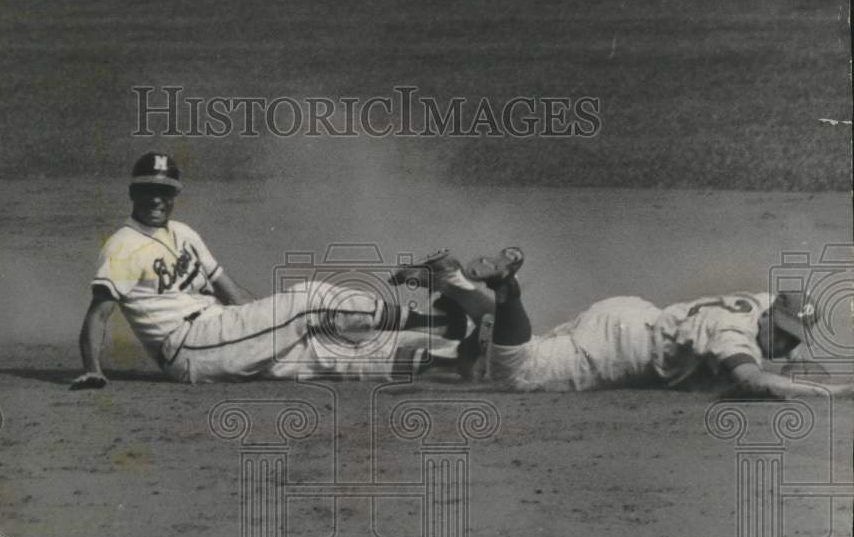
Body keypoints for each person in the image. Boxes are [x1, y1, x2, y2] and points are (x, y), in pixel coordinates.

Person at [71, 152, 453, 389]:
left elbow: (229, 292)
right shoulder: (121, 246)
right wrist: (93, 370)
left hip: (223, 335)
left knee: (327, 354)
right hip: (187, 347)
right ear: (132, 192)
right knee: (310, 300)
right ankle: (437, 321)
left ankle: (457, 354)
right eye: (149, 190)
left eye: (165, 191)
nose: (157, 199)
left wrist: (263, 321)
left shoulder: (184, 233)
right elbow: (98, 314)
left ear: (175, 195)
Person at [389, 247, 853, 398]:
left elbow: (781, 342)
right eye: (781, 334)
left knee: (523, 349)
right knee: (517, 373)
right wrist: (831, 392)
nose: (784, 345)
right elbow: (751, 380)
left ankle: (452, 280)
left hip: (627, 314)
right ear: (769, 316)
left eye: (791, 337)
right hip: (616, 350)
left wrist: (793, 358)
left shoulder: (762, 303)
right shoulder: (733, 334)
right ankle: (506, 288)